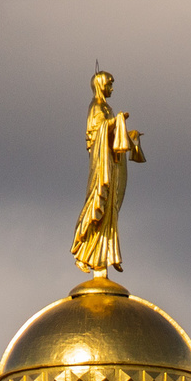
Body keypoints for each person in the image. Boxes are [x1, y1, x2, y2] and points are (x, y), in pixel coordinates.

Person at [70, 70, 145, 273]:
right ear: (101, 85)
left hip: (111, 163)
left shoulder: (107, 107)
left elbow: (111, 135)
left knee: (110, 208)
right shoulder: (96, 107)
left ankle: (107, 254)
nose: (112, 88)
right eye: (109, 84)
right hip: (101, 165)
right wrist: (118, 120)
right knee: (98, 203)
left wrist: (127, 134)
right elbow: (98, 133)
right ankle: (84, 249)